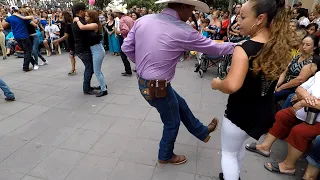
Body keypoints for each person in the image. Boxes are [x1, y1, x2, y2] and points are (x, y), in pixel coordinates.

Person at [122, 0, 234, 165]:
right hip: (157, 86)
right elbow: (213, 48)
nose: (192, 14)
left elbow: (126, 48)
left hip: (147, 83)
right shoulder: (183, 30)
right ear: (183, 7)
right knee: (172, 122)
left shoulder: (143, 20)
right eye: (191, 10)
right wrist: (238, 46)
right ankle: (165, 155)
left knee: (180, 105)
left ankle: (202, 131)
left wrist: (142, 65)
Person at [210, 0, 292, 179]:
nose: (239, 21)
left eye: (243, 17)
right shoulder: (278, 47)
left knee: (229, 154)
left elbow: (232, 85)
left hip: (240, 114)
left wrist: (217, 83)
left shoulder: (244, 49)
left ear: (260, 19)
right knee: (237, 149)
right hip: (264, 112)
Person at [74, 10, 108, 97]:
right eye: (85, 16)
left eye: (87, 16)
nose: (85, 18)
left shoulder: (94, 25)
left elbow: (81, 27)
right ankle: (103, 85)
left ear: (92, 17)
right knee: (98, 70)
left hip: (98, 51)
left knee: (97, 71)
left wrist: (77, 20)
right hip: (95, 50)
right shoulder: (91, 24)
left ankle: (104, 90)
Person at [71, 3, 95, 95]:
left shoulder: (76, 21)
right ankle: (86, 88)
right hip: (83, 48)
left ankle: (87, 86)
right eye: (84, 11)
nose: (85, 13)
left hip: (80, 48)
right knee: (89, 68)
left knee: (89, 68)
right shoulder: (81, 22)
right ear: (80, 11)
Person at [53, 11, 76, 75]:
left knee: (74, 55)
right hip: (75, 41)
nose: (61, 17)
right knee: (72, 55)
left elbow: (66, 36)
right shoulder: (71, 23)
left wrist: (57, 40)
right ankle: (73, 69)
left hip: (72, 42)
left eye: (62, 16)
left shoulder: (67, 25)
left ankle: (73, 69)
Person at [114, 6, 134, 76]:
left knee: (123, 55)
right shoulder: (129, 18)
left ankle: (128, 71)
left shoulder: (122, 20)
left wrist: (119, 32)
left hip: (125, 38)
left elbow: (126, 30)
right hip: (131, 37)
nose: (116, 15)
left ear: (119, 14)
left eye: (116, 13)